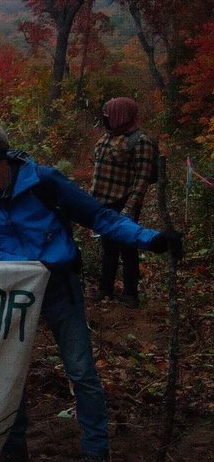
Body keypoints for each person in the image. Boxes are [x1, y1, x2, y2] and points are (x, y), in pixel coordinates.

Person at [0, 121, 177, 462]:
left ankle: (95, 452)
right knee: (9, 373)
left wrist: (151, 239)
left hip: (59, 286)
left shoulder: (44, 182)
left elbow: (99, 217)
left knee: (81, 369)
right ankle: (13, 447)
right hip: (11, 290)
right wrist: (21, 266)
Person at [90, 97, 157, 308]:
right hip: (102, 201)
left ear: (121, 116)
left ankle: (130, 294)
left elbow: (142, 178)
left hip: (123, 201)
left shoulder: (140, 141)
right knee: (108, 248)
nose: (105, 118)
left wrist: (130, 207)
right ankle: (105, 288)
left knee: (128, 248)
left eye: (109, 115)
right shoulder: (107, 136)